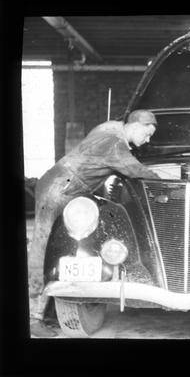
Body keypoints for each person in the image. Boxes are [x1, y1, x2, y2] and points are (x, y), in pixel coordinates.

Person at [28, 109, 161, 337]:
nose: (147, 140)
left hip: (62, 184)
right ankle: (33, 317)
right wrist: (166, 180)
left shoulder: (107, 127)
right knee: (43, 246)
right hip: (59, 189)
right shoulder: (114, 143)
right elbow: (136, 171)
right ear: (137, 125)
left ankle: (48, 309)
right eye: (147, 134)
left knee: (58, 246)